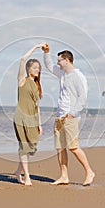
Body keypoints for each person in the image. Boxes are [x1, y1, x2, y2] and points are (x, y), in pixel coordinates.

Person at [42, 43, 95, 186]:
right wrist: (46, 53)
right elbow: (49, 66)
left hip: (70, 117)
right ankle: (64, 176)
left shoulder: (78, 76)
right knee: (60, 148)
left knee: (73, 147)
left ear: (67, 60)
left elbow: (82, 98)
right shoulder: (62, 74)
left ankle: (89, 172)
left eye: (59, 60)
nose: (57, 63)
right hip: (59, 115)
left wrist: (72, 113)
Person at [13, 44, 44, 186]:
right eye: (34, 67)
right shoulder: (22, 80)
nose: (37, 70)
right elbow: (22, 59)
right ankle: (27, 177)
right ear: (28, 69)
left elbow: (37, 106)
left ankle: (18, 172)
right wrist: (37, 46)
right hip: (21, 118)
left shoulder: (37, 85)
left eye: (38, 68)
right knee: (24, 147)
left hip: (33, 119)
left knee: (31, 147)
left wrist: (39, 124)